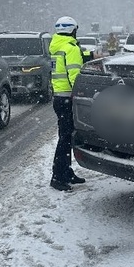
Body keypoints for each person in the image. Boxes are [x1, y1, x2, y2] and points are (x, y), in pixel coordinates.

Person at [49, 15, 87, 192]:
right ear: (73, 30)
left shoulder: (57, 46)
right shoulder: (71, 48)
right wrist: (80, 95)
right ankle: (58, 177)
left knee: (66, 137)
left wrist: (89, 55)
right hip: (68, 98)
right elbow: (74, 75)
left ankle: (66, 171)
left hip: (59, 97)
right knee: (66, 139)